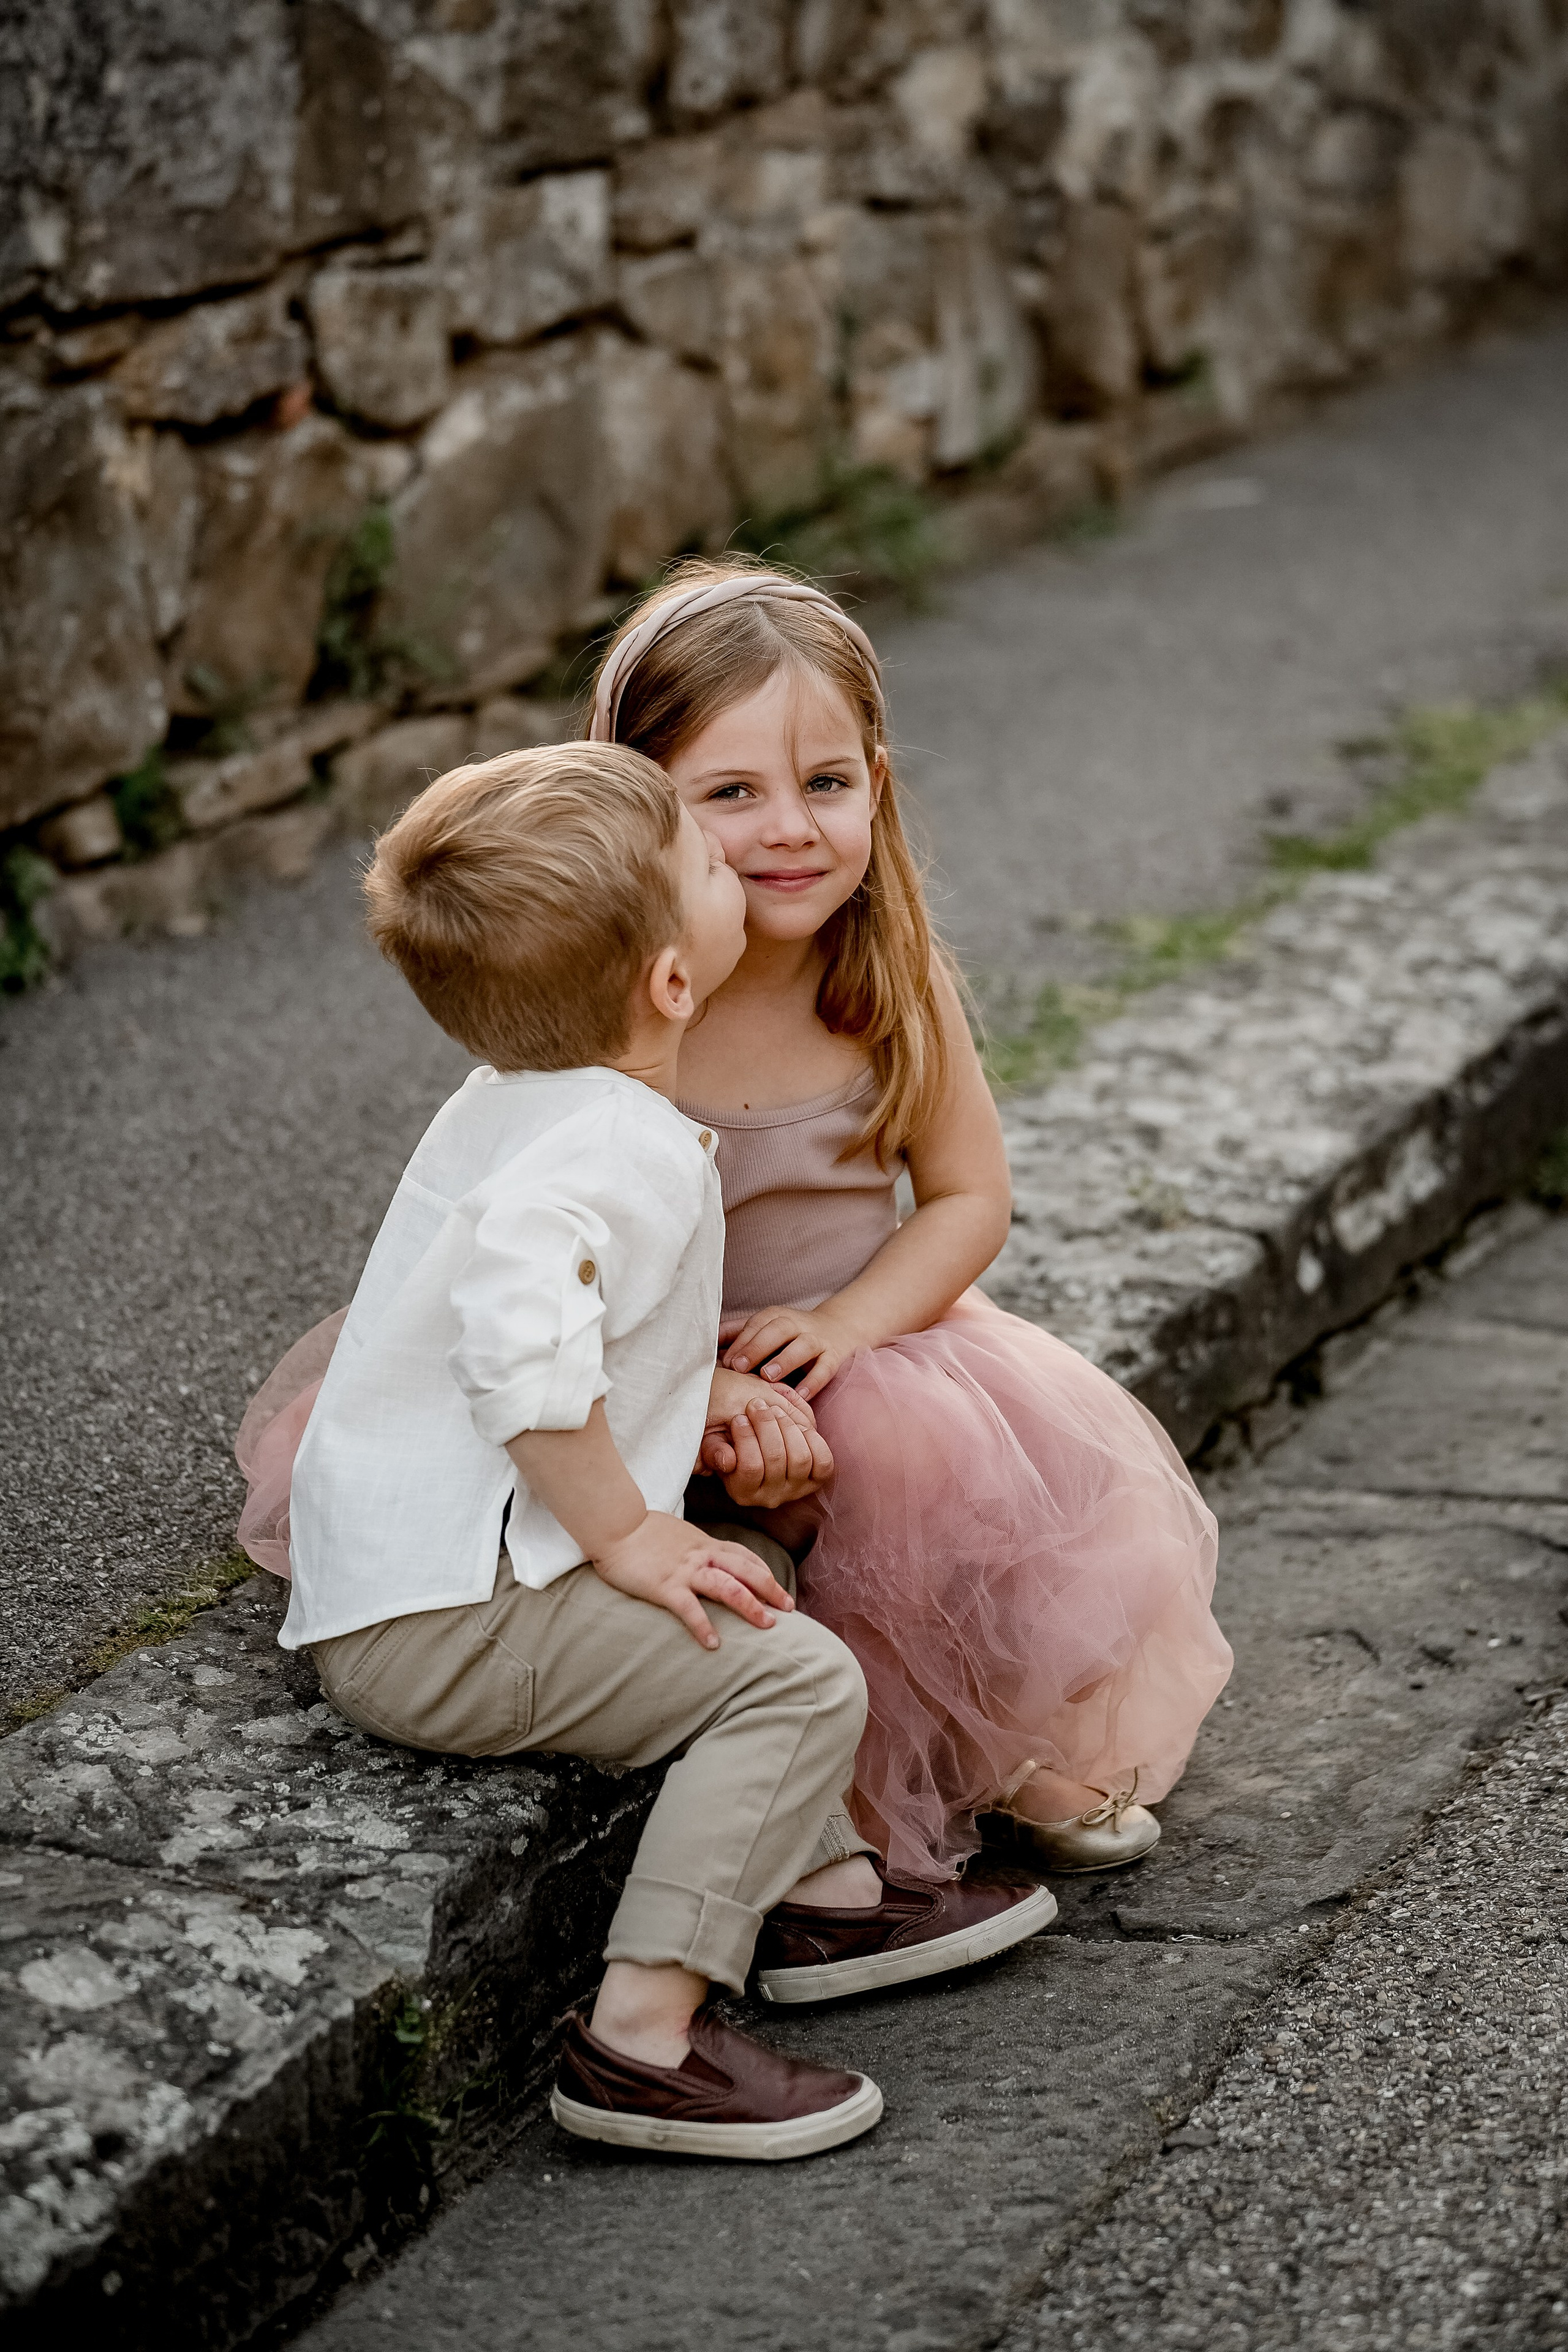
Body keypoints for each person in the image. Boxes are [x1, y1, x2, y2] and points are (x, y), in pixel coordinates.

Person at [240, 742, 1055, 2162]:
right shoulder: (608, 1147)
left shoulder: (527, 1094)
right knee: (796, 1675)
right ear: (673, 984)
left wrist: (693, 1423)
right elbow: (521, 1355)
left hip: (432, 1579)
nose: (732, 858)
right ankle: (641, 2040)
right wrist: (626, 1533)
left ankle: (822, 1898)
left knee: (748, 1573)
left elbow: (587, 1343)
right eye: (703, 861)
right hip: (443, 1621)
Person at [586, 560, 1234, 1886]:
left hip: (855, 1340)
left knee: (916, 1455)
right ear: (636, 808)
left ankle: (978, 1747)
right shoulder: (610, 1003)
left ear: (876, 786)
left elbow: (966, 1197)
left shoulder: (882, 977)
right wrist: (696, 1387)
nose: (790, 829)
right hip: (645, 1376)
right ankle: (827, 1790)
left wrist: (846, 1325)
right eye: (729, 793)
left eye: (826, 783)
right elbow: (560, 1263)